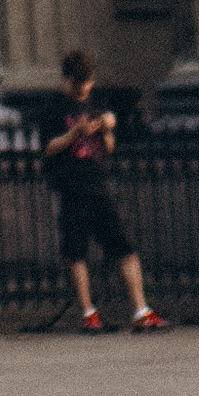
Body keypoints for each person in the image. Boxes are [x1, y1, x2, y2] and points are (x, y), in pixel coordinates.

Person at [43, 48, 168, 332]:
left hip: (100, 185)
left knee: (125, 246)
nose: (83, 90)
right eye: (77, 85)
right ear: (66, 80)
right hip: (72, 187)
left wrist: (105, 128)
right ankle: (88, 313)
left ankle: (140, 310)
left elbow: (109, 148)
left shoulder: (96, 104)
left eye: (86, 84)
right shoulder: (54, 108)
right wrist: (74, 134)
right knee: (76, 252)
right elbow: (48, 148)